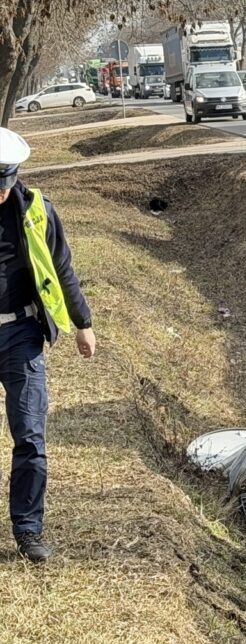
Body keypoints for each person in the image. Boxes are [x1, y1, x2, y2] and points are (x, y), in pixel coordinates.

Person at [0, 127, 95, 562]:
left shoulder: (37, 211)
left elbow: (62, 267)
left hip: (21, 334)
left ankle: (28, 530)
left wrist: (83, 323)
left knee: (31, 435)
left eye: (4, 185)